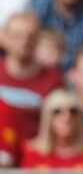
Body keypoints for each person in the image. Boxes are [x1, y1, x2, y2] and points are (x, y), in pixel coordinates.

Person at [0, 12, 64, 140]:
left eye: (30, 36)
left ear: (38, 40)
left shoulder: (53, 79)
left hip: (34, 152)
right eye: (17, 36)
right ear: (4, 38)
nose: (24, 41)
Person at [21, 88, 83, 172]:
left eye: (72, 111)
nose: (66, 117)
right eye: (57, 111)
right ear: (48, 117)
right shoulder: (31, 153)